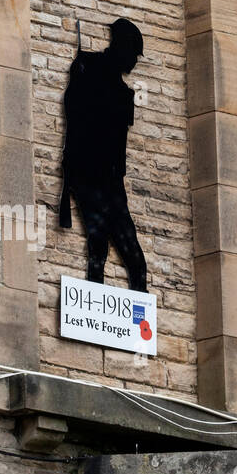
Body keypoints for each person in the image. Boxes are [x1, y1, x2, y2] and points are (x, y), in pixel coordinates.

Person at [58, 17, 148, 294]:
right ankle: (95, 305)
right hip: (87, 174)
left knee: (135, 257)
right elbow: (74, 110)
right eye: (133, 54)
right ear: (121, 47)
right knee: (98, 243)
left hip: (111, 182)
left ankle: (137, 319)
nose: (134, 62)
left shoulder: (123, 93)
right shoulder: (88, 67)